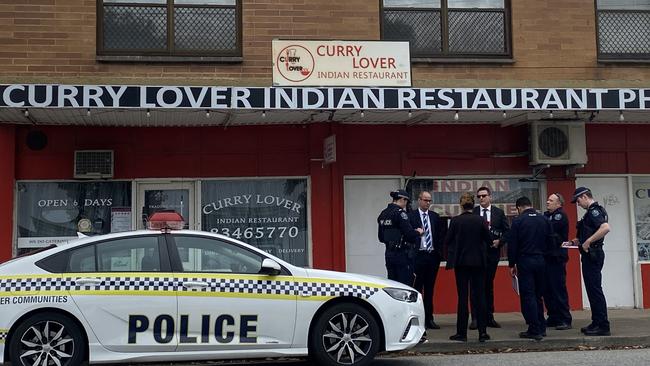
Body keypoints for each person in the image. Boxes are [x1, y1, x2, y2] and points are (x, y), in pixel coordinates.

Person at [444, 192, 492, 343]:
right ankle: (482, 332)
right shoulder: (480, 220)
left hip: (461, 263)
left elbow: (447, 240)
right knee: (480, 297)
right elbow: (489, 239)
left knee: (462, 298)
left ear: (461, 205)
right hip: (478, 262)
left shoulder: (456, 221)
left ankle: (461, 333)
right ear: (473, 205)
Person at [508, 196, 553, 341]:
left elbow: (513, 245)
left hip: (525, 261)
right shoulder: (544, 219)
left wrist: (511, 264)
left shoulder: (518, 221)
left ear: (519, 208)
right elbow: (551, 240)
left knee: (529, 296)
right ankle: (541, 326)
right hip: (541, 260)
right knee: (539, 295)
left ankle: (534, 329)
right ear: (530, 205)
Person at [571, 187, 611, 336]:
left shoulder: (594, 211)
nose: (578, 203)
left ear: (585, 196)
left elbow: (605, 228)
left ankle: (603, 325)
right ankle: (596, 322)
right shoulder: (590, 213)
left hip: (593, 254)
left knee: (595, 290)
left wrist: (587, 241)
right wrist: (578, 240)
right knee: (592, 290)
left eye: (578, 200)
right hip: (590, 254)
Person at [469, 186, 508, 329]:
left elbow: (507, 232)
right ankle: (475, 318)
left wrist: (500, 241)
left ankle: (489, 316)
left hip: (492, 255)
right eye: (479, 196)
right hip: (476, 255)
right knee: (474, 286)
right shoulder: (473, 212)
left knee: (488, 286)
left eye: (484, 196)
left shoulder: (498, 212)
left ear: (490, 197)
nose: (481, 198)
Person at [408, 190, 445, 330]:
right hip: (418, 257)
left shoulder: (435, 216)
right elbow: (409, 235)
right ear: (419, 200)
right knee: (416, 289)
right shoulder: (411, 216)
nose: (427, 203)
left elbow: (440, 236)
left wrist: (438, 253)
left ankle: (429, 318)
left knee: (430, 290)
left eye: (429, 201)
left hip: (432, 256)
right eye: (425, 200)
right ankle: (417, 320)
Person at [377, 189, 423, 286]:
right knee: (404, 286)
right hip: (402, 255)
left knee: (393, 285)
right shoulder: (400, 214)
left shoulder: (383, 214)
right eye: (406, 201)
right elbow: (409, 234)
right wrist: (418, 232)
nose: (406, 204)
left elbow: (381, 237)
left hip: (389, 255)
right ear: (402, 199)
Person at [543, 193, 572, 330]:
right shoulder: (547, 215)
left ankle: (565, 318)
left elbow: (548, 231)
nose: (547, 202)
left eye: (551, 200)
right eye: (548, 200)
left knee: (558, 289)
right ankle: (553, 317)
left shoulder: (559, 216)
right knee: (547, 289)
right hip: (547, 257)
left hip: (556, 258)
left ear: (559, 204)